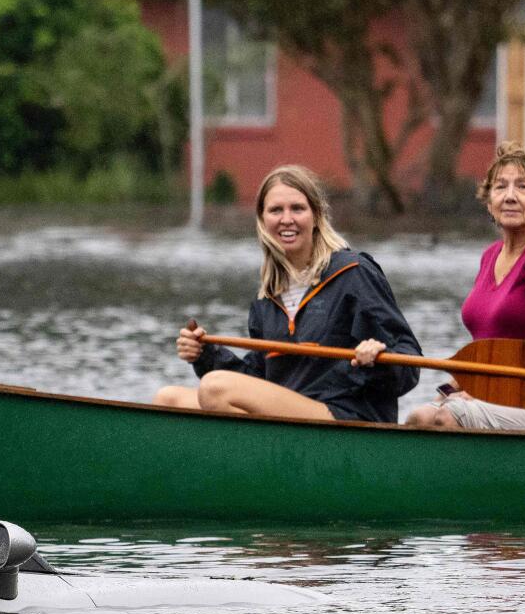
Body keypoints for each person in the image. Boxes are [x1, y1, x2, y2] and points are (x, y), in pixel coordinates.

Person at [153, 164, 420, 423]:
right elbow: (259, 380)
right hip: (290, 418)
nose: (287, 219)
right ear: (262, 220)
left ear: (316, 216)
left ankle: (262, 463)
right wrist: (206, 354)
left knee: (214, 388)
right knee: (168, 399)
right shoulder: (267, 297)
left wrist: (378, 357)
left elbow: (409, 363)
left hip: (347, 416)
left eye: (297, 209)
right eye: (276, 210)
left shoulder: (354, 273)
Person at [405, 142, 525, 432]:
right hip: (496, 397)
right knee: (419, 417)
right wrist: (445, 392)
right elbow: (482, 355)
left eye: (522, 187)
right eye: (500, 187)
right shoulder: (489, 256)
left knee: (441, 419)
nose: (509, 196)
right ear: (489, 202)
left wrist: (483, 391)